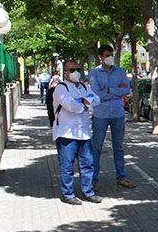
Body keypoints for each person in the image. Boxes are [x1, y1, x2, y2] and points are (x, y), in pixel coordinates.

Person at [53, 60, 102, 205]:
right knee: (67, 166)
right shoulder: (61, 89)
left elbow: (97, 99)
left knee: (87, 163)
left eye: (77, 69)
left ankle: (88, 191)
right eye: (71, 70)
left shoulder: (84, 87)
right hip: (66, 133)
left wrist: (84, 101)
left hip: (84, 133)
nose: (75, 72)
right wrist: (85, 105)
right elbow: (70, 105)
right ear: (65, 73)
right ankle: (68, 194)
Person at [89, 45, 135, 190]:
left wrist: (109, 90)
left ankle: (121, 177)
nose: (110, 57)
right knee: (96, 148)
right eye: (107, 55)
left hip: (117, 114)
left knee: (119, 147)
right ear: (100, 57)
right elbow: (96, 94)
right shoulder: (94, 74)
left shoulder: (120, 72)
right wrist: (116, 93)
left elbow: (126, 89)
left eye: (111, 55)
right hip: (100, 115)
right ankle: (93, 179)